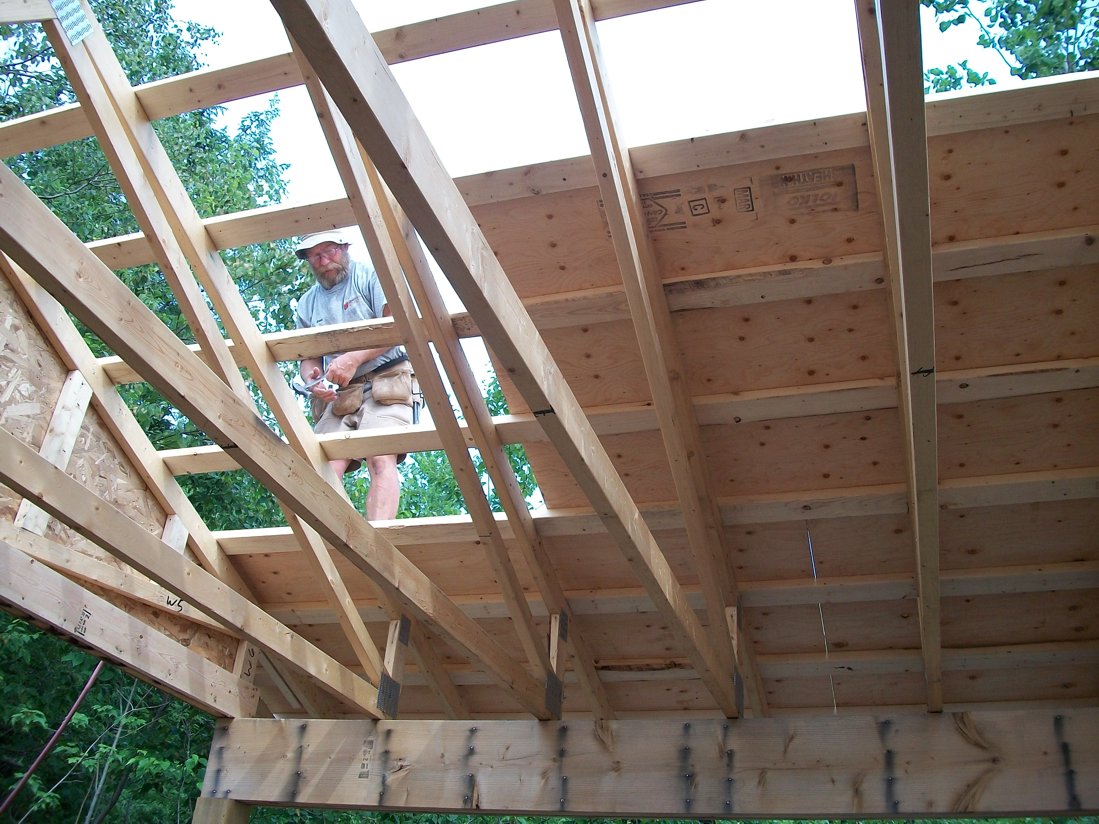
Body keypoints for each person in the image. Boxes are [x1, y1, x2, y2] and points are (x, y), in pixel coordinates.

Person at [293, 230, 415, 520]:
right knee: (324, 467)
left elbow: (395, 327)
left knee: (380, 456)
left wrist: (355, 357)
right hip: (341, 391)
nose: (324, 261)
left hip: (386, 379)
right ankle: (336, 536)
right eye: (315, 256)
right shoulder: (307, 303)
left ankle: (378, 536)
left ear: (345, 247)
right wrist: (313, 380)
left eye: (329, 251)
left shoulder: (370, 276)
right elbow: (307, 356)